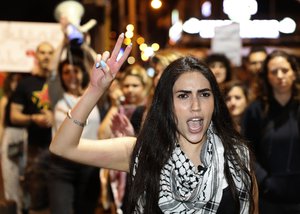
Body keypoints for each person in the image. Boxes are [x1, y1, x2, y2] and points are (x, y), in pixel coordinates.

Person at [50, 33, 258, 213]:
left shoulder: (237, 154)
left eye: (204, 94)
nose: (196, 105)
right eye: (183, 96)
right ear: (166, 104)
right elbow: (63, 147)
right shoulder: (142, 151)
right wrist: (95, 90)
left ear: (215, 102)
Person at [242, 50, 300, 214]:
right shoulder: (256, 109)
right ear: (267, 77)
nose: (280, 76)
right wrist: (264, 181)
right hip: (269, 198)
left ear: (294, 73)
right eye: (274, 72)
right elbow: (246, 150)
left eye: (285, 70)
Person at [49, 57, 101, 214]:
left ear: (83, 73)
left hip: (89, 163)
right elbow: (51, 73)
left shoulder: (95, 93)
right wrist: (64, 40)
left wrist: (83, 43)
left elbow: (100, 64)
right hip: (62, 165)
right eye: (66, 72)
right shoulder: (56, 95)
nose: (71, 75)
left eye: (75, 71)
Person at [10, 42, 55, 213]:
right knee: (35, 194)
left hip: (61, 148)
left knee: (58, 197)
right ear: (36, 56)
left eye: (50, 52)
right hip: (35, 147)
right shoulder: (26, 84)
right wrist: (33, 118)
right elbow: (14, 116)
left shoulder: (62, 81)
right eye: (42, 52)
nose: (46, 56)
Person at [0, 72, 26, 214]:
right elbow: (1, 123)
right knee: (10, 175)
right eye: (13, 81)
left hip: (26, 136)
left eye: (19, 81)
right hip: (11, 136)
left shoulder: (25, 98)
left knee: (24, 176)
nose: (16, 84)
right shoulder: (6, 100)